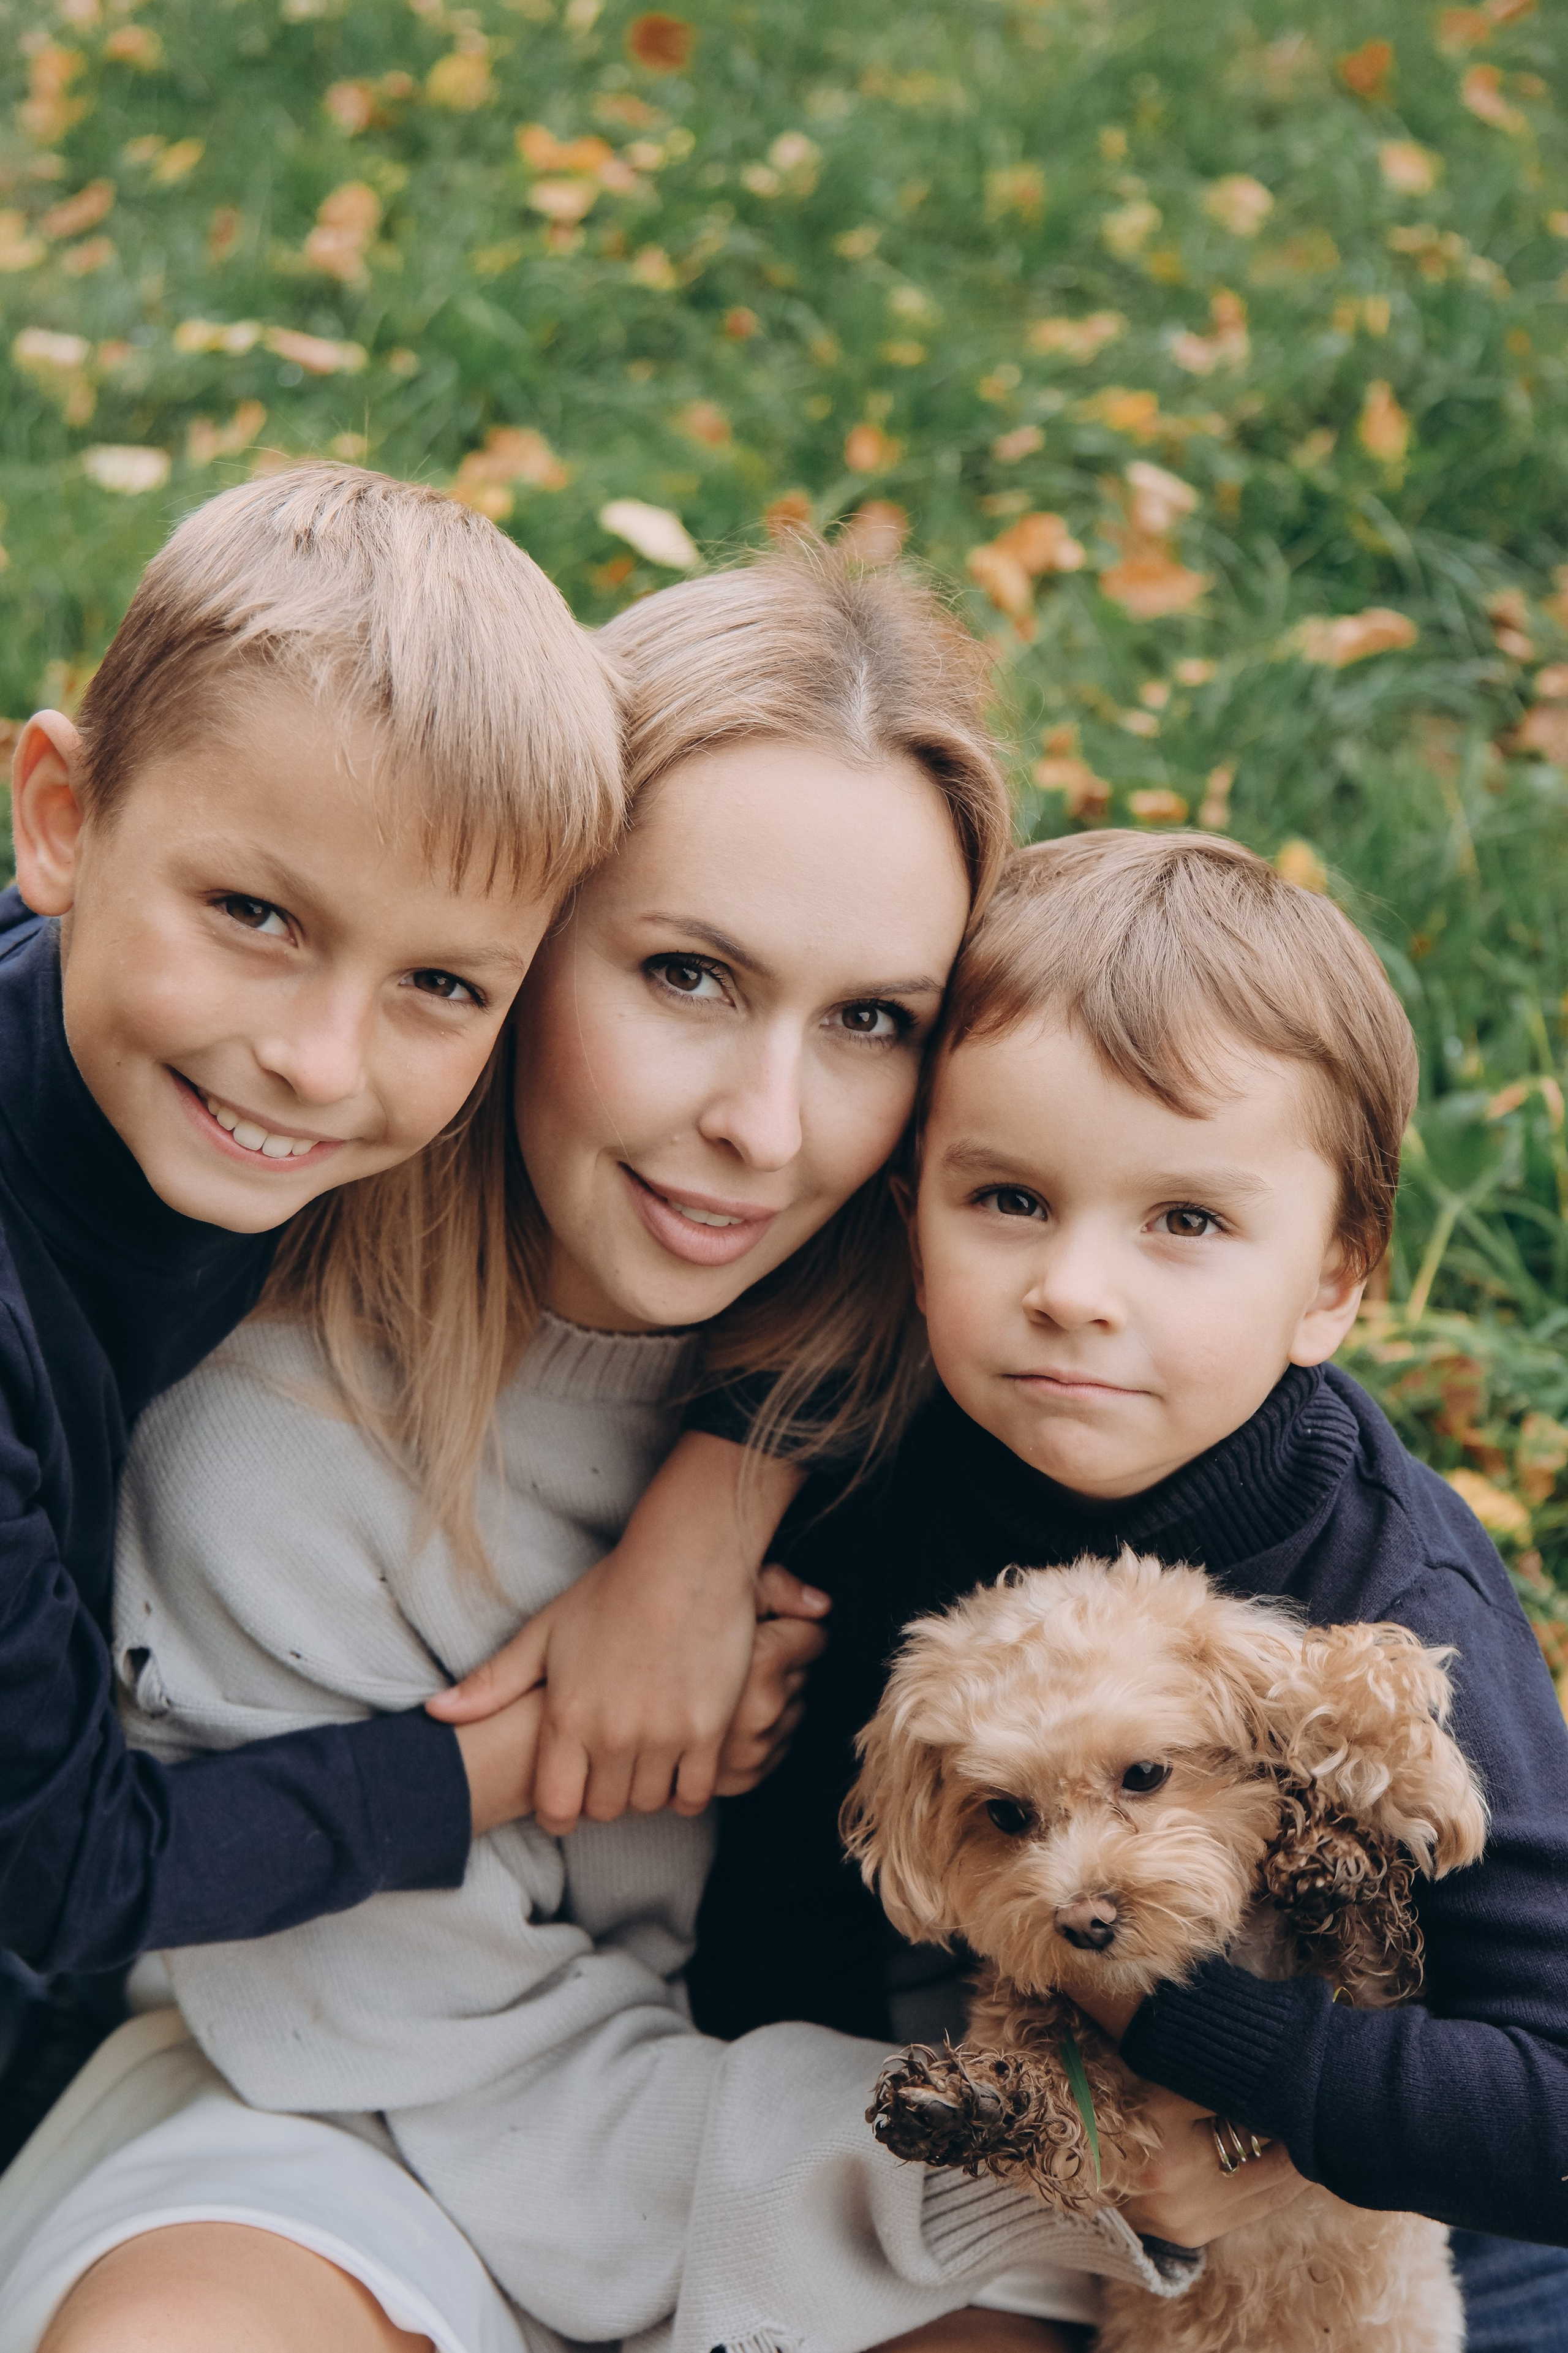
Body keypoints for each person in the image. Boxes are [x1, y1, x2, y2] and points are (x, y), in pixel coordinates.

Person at [0, 549, 1247, 2353]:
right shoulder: (272, 1393)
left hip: (873, 2115)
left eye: (872, 1022)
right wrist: (1029, 2166)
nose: (760, 1126)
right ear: (508, 955)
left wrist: (723, 1476)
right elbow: (413, 2039)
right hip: (328, 2114)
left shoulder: (1009, 1324)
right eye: (685, 974)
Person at [689, 832, 1568, 2344]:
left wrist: (1219, 2059)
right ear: (912, 1217)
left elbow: (1547, 2108)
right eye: (1009, 1200)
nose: (1073, 1289)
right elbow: (783, 1927)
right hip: (1033, 2208)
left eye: (1185, 1220)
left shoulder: (1392, 1593)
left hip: (1429, 2244)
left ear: (1334, 1282)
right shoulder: (889, 1496)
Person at [0, 463, 625, 2151]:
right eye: (255, 915)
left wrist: (723, 1490)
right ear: (59, 818)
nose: (321, 1061)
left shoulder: (243, 1094)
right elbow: (62, 1870)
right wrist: (512, 1758)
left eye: (440, 984)